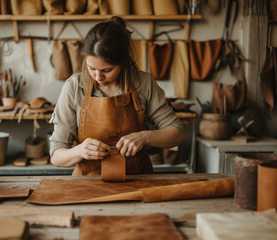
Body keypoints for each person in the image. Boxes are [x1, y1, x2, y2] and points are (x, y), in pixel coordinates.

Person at [49, 16, 185, 176]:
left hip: (138, 181)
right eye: (91, 68)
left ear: (123, 61)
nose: (98, 77)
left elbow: (177, 133)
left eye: (106, 70)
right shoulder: (74, 86)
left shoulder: (143, 83)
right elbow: (56, 156)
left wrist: (145, 136)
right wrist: (79, 151)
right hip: (87, 184)